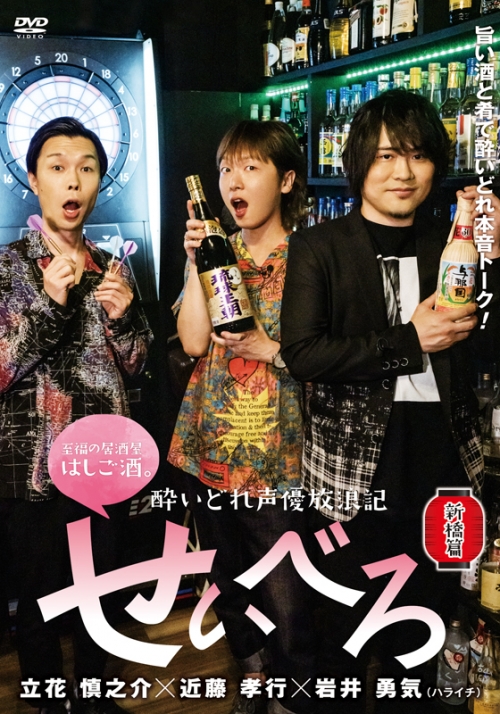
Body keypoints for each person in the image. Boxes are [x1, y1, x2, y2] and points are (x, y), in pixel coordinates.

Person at [280, 90, 500, 713]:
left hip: (445, 474)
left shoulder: (451, 245)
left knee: (424, 633)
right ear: (357, 163)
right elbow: (303, 353)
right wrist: (410, 340)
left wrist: (498, 261)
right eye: (385, 156)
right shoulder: (319, 246)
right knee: (342, 635)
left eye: (418, 156)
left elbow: (489, 347)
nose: (403, 172)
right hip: (351, 480)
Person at [0, 117, 153, 714]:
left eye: (87, 168)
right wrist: (50, 303)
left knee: (101, 588)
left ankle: (91, 695)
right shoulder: (10, 266)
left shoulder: (112, 266)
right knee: (40, 595)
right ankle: (46, 699)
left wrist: (125, 317)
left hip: (103, 460)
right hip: (33, 466)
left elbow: (136, 364)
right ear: (34, 179)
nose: (74, 179)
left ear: (98, 183)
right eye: (58, 166)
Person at [168, 120, 316, 714]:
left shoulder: (310, 255)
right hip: (211, 443)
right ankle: (252, 673)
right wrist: (194, 264)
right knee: (226, 575)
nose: (234, 181)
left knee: (285, 588)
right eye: (227, 168)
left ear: (286, 181)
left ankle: (289, 694)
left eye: (251, 167)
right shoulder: (217, 249)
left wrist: (269, 349)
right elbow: (193, 342)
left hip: (277, 452)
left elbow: (327, 358)